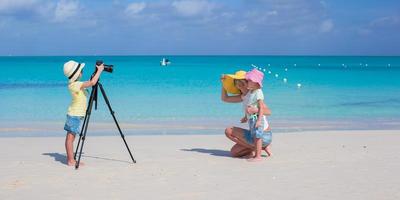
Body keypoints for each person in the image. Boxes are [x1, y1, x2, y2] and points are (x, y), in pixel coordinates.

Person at [221, 70, 271, 158]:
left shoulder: (254, 94)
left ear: (248, 82)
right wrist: (224, 83)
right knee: (234, 153)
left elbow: (268, 111)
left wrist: (255, 109)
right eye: (236, 81)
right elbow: (225, 98)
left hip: (264, 134)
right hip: (253, 134)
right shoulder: (243, 97)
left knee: (228, 130)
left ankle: (259, 147)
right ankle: (259, 148)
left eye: (241, 81)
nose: (239, 83)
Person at [63, 60, 104, 166]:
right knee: (70, 138)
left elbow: (89, 82)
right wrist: (99, 71)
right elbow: (91, 83)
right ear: (77, 74)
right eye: (81, 71)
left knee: (71, 137)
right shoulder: (75, 85)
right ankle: (71, 160)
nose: (82, 73)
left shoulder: (76, 84)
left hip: (76, 115)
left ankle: (71, 158)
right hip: (74, 115)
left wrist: (95, 74)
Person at [244, 69, 272, 162]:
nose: (247, 82)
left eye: (250, 80)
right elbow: (250, 105)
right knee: (254, 135)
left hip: (257, 118)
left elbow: (260, 107)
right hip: (252, 118)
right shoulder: (252, 92)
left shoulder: (258, 92)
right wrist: (245, 116)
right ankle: (258, 153)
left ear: (256, 83)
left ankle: (258, 156)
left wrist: (259, 120)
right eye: (247, 80)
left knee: (258, 136)